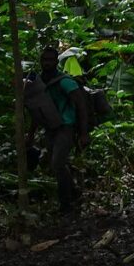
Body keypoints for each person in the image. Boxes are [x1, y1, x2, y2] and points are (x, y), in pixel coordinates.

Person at [25, 47, 89, 213]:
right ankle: (74, 193)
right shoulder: (39, 83)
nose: (47, 63)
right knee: (59, 164)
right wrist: (30, 134)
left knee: (57, 164)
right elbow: (37, 110)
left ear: (56, 61)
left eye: (50, 60)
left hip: (65, 127)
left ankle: (66, 205)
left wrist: (83, 133)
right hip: (50, 128)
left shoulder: (64, 81)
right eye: (44, 60)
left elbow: (81, 106)